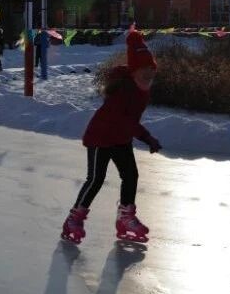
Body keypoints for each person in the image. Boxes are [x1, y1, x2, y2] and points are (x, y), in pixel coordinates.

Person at [61, 30, 162, 245]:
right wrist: (147, 137)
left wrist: (146, 137)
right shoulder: (123, 90)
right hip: (101, 137)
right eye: (144, 73)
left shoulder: (142, 90)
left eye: (151, 73)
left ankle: (125, 217)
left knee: (131, 175)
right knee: (96, 179)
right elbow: (125, 120)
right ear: (134, 72)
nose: (148, 78)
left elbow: (129, 122)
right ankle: (74, 219)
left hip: (121, 137)